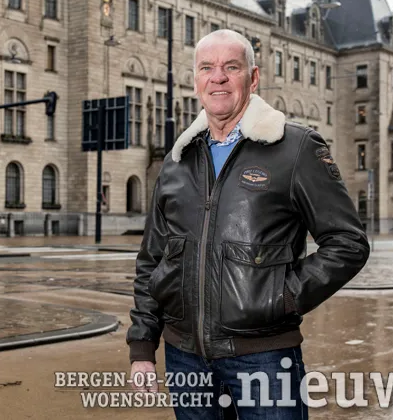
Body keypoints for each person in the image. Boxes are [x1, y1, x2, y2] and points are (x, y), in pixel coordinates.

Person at [127, 30, 370, 419]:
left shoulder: (295, 148)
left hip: (265, 359)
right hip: (185, 358)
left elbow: (348, 242)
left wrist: (283, 296)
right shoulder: (177, 161)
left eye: (231, 67)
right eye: (207, 68)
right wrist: (142, 347)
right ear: (196, 80)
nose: (218, 77)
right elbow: (152, 261)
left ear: (253, 78)